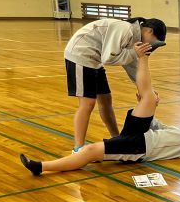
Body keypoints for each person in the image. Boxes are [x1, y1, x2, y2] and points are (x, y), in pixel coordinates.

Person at [20, 42, 180, 176]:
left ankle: (42, 167)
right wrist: (146, 106)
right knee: (149, 98)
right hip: (140, 134)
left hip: (139, 147)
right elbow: (157, 125)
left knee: (89, 150)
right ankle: (144, 57)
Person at [65, 16, 167, 152]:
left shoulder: (135, 38)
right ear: (149, 31)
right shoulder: (126, 29)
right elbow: (108, 58)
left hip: (94, 60)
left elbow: (132, 66)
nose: (151, 47)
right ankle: (78, 148)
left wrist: (148, 91)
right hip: (80, 55)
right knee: (87, 103)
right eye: (153, 42)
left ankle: (116, 139)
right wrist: (134, 53)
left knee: (106, 101)